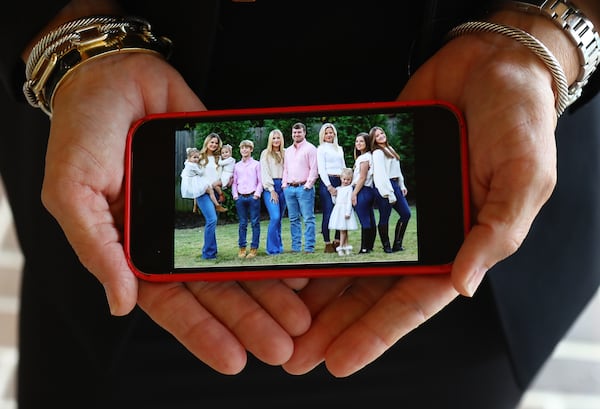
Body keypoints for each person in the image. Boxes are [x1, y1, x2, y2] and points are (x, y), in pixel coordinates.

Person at [2, 1, 600, 408]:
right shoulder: (253, 155)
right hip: (118, 261)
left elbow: (318, 165)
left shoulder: (338, 150)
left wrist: (549, 37)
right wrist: (75, 34)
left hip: (479, 264)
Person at [370, 125, 412, 253]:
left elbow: (397, 171)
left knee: (406, 214)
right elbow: (380, 176)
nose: (381, 136)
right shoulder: (377, 153)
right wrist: (389, 194)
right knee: (384, 217)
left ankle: (397, 244)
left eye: (381, 133)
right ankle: (386, 246)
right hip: (384, 188)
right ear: (374, 140)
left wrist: (402, 185)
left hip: (395, 185)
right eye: (377, 136)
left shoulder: (389, 148)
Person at [282, 122, 318, 254]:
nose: (296, 134)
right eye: (294, 132)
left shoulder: (311, 148)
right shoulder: (288, 151)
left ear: (304, 133)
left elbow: (314, 169)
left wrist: (308, 185)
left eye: (299, 132)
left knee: (308, 218)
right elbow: (285, 168)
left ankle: (309, 247)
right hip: (290, 189)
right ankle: (296, 247)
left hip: (304, 188)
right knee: (293, 219)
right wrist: (284, 185)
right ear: (292, 134)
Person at [316, 122, 346, 253]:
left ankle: (337, 240)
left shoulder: (339, 148)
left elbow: (343, 166)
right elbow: (321, 170)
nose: (329, 135)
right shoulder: (321, 149)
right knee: (328, 213)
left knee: (340, 213)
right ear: (323, 135)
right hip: (327, 181)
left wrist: (346, 183)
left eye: (331, 132)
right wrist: (329, 186)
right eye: (326, 133)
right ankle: (327, 243)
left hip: (340, 181)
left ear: (334, 134)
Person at [231, 139, 262, 259]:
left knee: (255, 222)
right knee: (242, 223)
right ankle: (242, 248)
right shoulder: (236, 166)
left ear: (251, 149)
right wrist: (235, 196)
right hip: (240, 198)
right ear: (240, 150)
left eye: (247, 147)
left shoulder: (256, 164)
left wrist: (257, 195)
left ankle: (254, 248)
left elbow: (260, 181)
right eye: (242, 147)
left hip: (253, 196)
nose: (244, 150)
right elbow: (234, 182)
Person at [260, 128, 286, 255]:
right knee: (275, 217)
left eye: (278, 138)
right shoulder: (265, 153)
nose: (276, 140)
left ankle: (279, 246)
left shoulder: (285, 153)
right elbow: (264, 173)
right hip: (271, 187)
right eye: (274, 138)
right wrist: (271, 190)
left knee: (279, 219)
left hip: (283, 186)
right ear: (270, 140)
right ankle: (272, 248)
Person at [351, 132, 377, 254]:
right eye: (357, 141)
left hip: (363, 190)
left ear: (367, 143)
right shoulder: (366, 156)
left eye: (361, 141)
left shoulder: (364, 158)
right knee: (370, 219)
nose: (358, 143)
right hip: (367, 190)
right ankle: (369, 246)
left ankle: (365, 248)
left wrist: (354, 193)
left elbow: (362, 177)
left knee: (364, 220)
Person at [181, 147, 228, 214]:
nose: (196, 159)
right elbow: (200, 172)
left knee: (197, 193)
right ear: (189, 157)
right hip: (196, 180)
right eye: (194, 157)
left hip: (192, 181)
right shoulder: (193, 166)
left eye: (197, 157)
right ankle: (217, 205)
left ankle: (195, 206)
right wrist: (203, 168)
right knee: (211, 191)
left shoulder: (187, 163)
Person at [328, 167, 358, 256]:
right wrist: (333, 195)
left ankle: (341, 247)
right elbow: (334, 201)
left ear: (351, 180)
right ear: (341, 178)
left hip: (345, 210)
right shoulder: (338, 188)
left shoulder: (349, 189)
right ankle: (346, 246)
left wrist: (348, 212)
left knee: (344, 230)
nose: (346, 181)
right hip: (338, 210)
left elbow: (349, 201)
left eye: (348, 180)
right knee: (343, 230)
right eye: (344, 179)